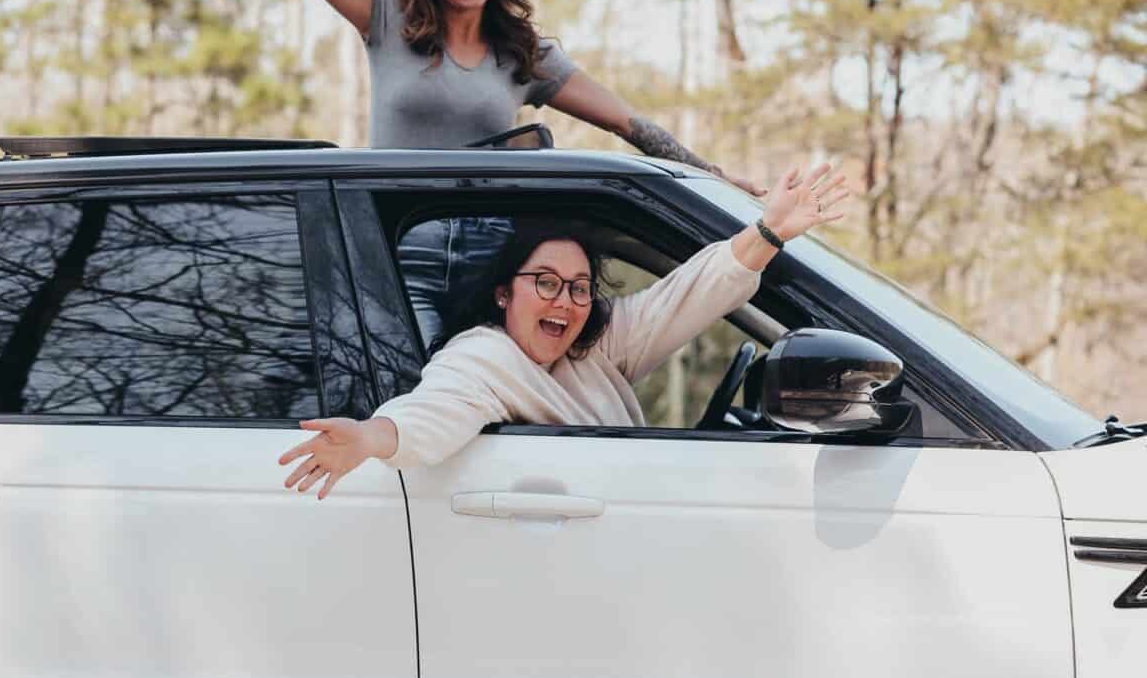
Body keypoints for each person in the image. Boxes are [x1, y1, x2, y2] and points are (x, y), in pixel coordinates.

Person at [151, 0, 769, 341]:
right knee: (411, 403)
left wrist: (714, 178)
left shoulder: (524, 55)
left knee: (482, 415)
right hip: (399, 253)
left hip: (491, 263)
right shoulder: (387, 18)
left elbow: (630, 125)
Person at [278, 161, 848, 495]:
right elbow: (431, 415)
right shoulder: (481, 359)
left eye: (579, 287)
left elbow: (689, 295)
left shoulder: (594, 348)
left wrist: (767, 233)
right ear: (504, 292)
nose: (566, 300)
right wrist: (370, 438)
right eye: (545, 282)